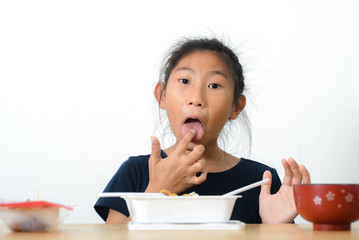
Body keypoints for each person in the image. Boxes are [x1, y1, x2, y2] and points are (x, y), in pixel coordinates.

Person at [94, 37, 311, 224]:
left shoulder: (261, 181)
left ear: (236, 106)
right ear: (162, 95)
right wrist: (157, 190)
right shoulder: (136, 172)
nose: (196, 99)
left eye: (214, 86)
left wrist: (274, 230)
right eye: (185, 80)